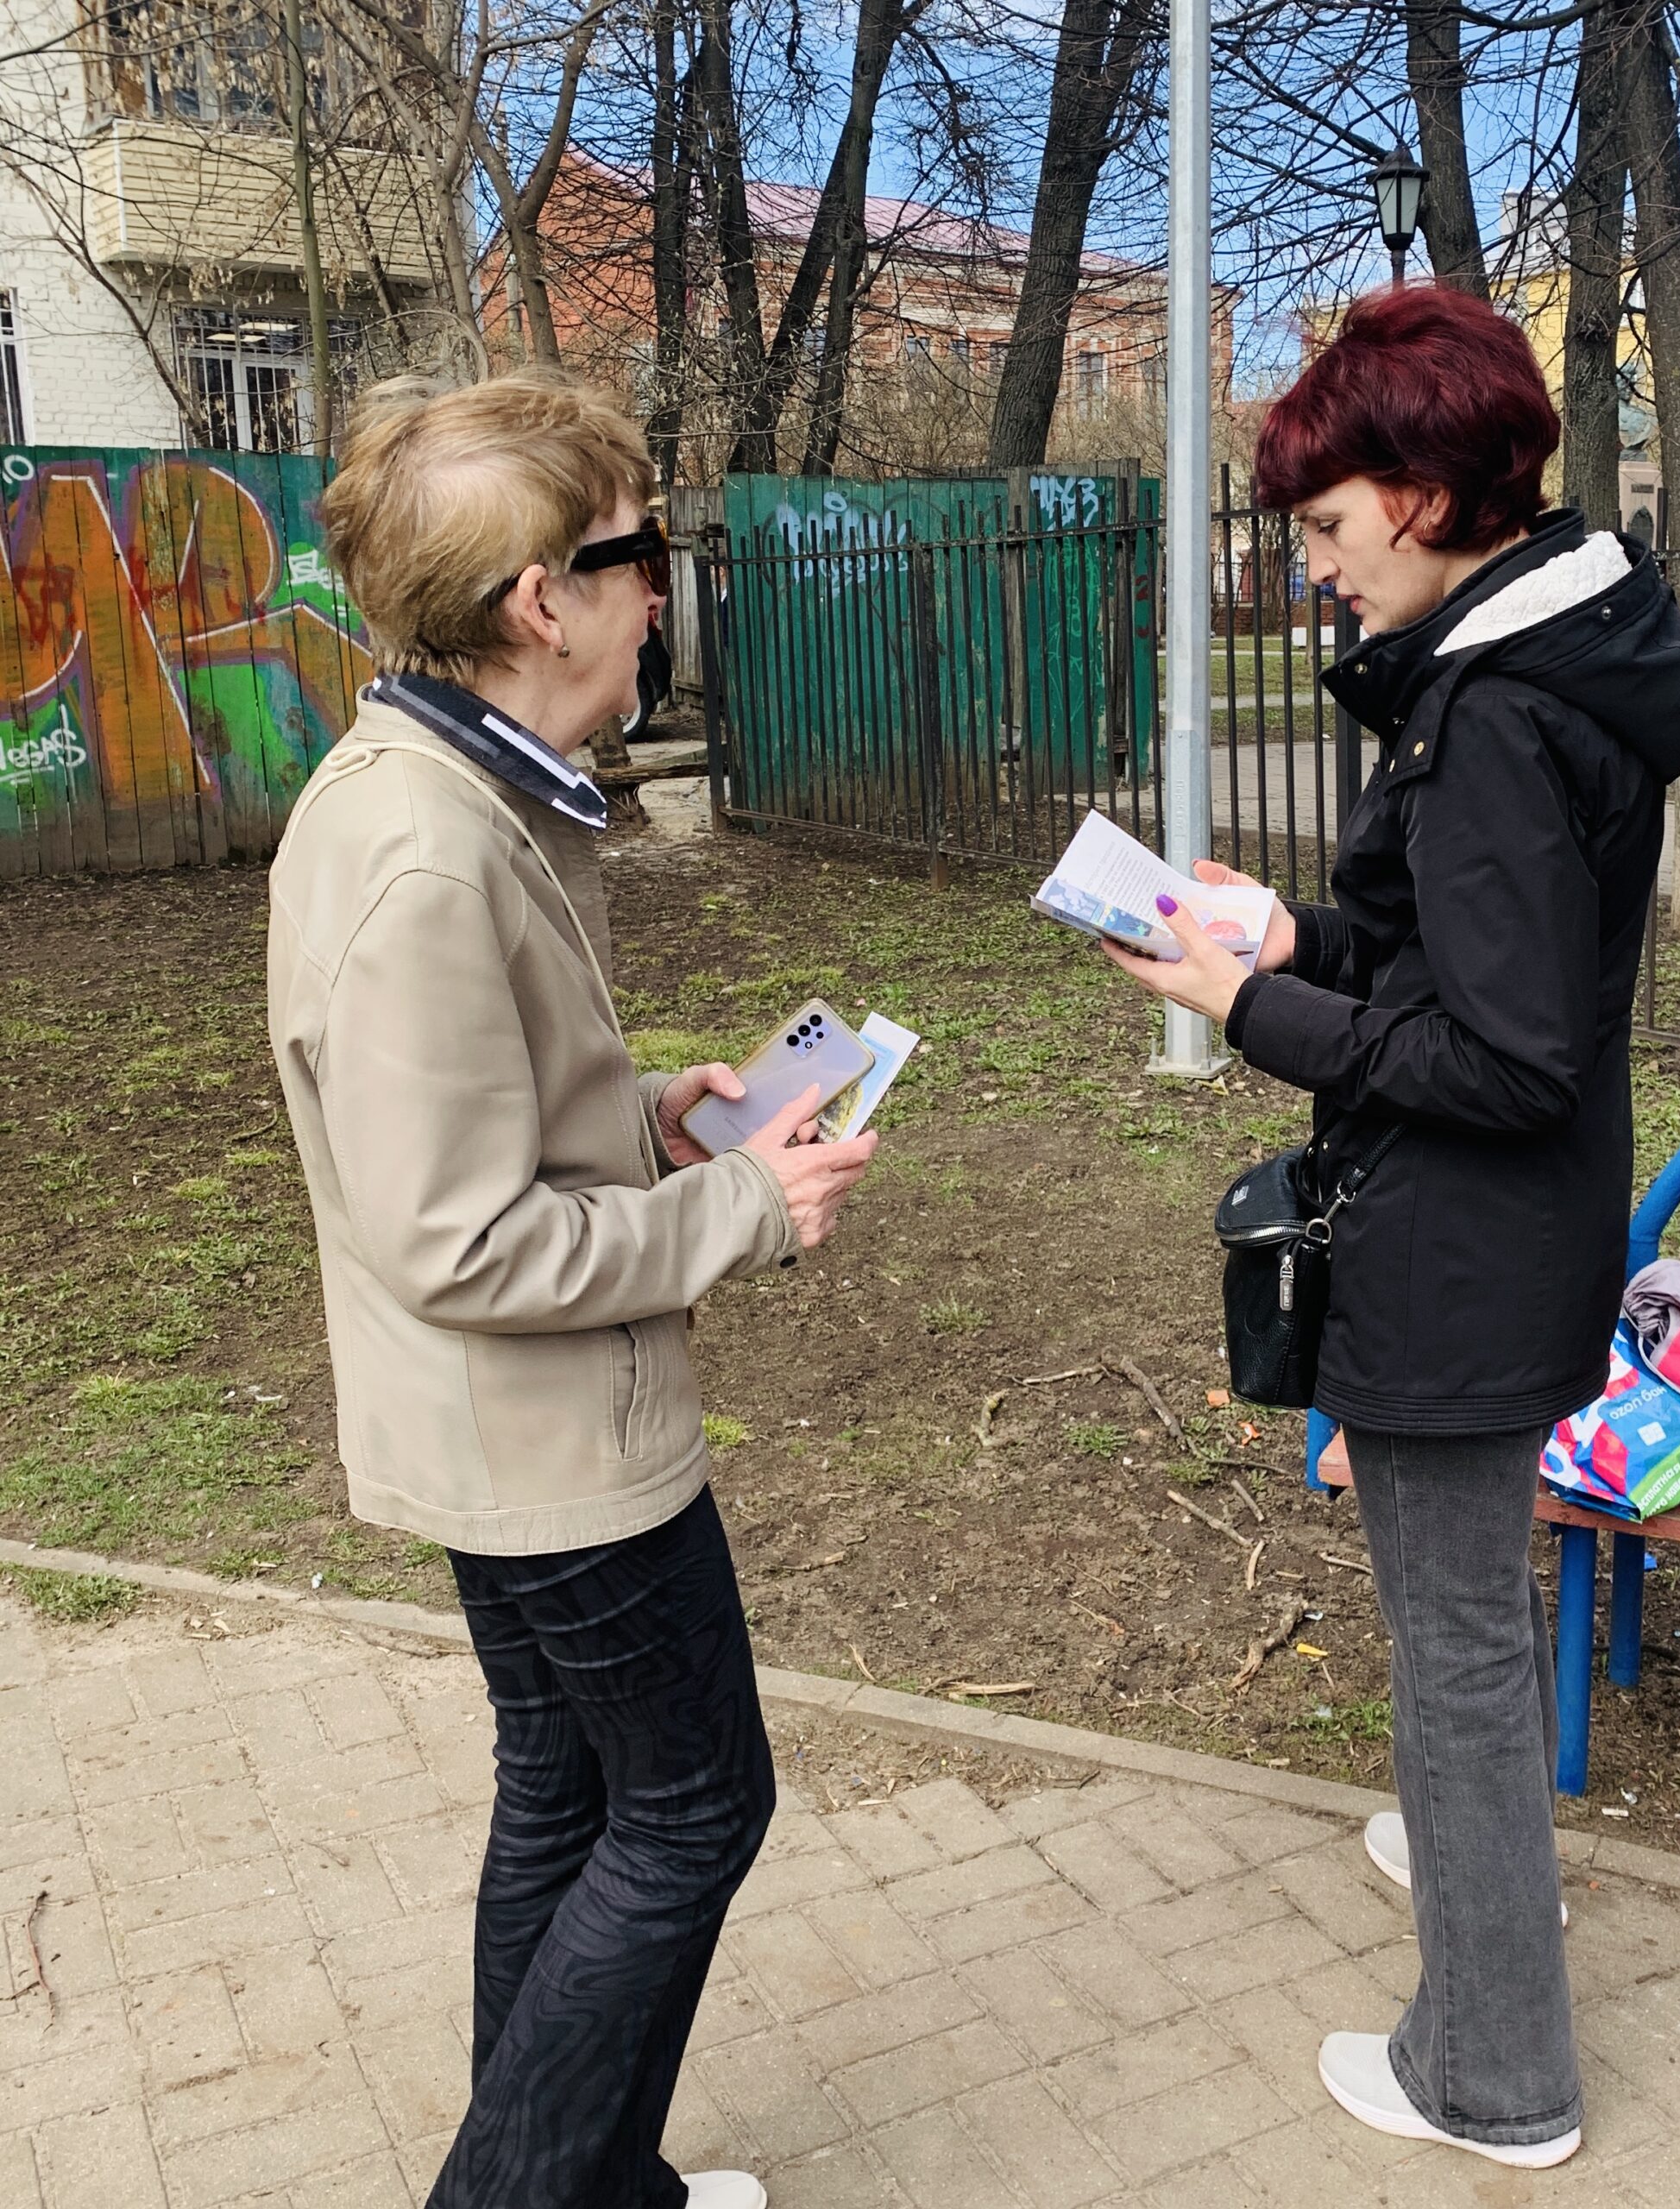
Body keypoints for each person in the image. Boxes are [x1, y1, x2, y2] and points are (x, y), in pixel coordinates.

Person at [1107, 285, 1680, 2168]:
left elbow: (1506, 1056)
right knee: (1469, 1622)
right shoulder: (1537, 665)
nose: (1311, 564)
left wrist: (1250, 1010)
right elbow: (1463, 954)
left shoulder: (1496, 714)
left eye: (1323, 521)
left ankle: (1493, 2074)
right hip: (1502, 1240)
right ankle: (1480, 1866)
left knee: (1450, 1645)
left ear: (1427, 495)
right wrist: (1293, 935)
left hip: (1460, 1249)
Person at [267, 369, 878, 2209]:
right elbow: (457, 1237)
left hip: (508, 1432)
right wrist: (744, 1208)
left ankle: (592, 2181)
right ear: (545, 600)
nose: (661, 587)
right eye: (643, 550)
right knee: (692, 1807)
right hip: (548, 1447)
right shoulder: (426, 849)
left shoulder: (458, 787)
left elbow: (465, 1121)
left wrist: (650, 1112)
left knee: (571, 1786)